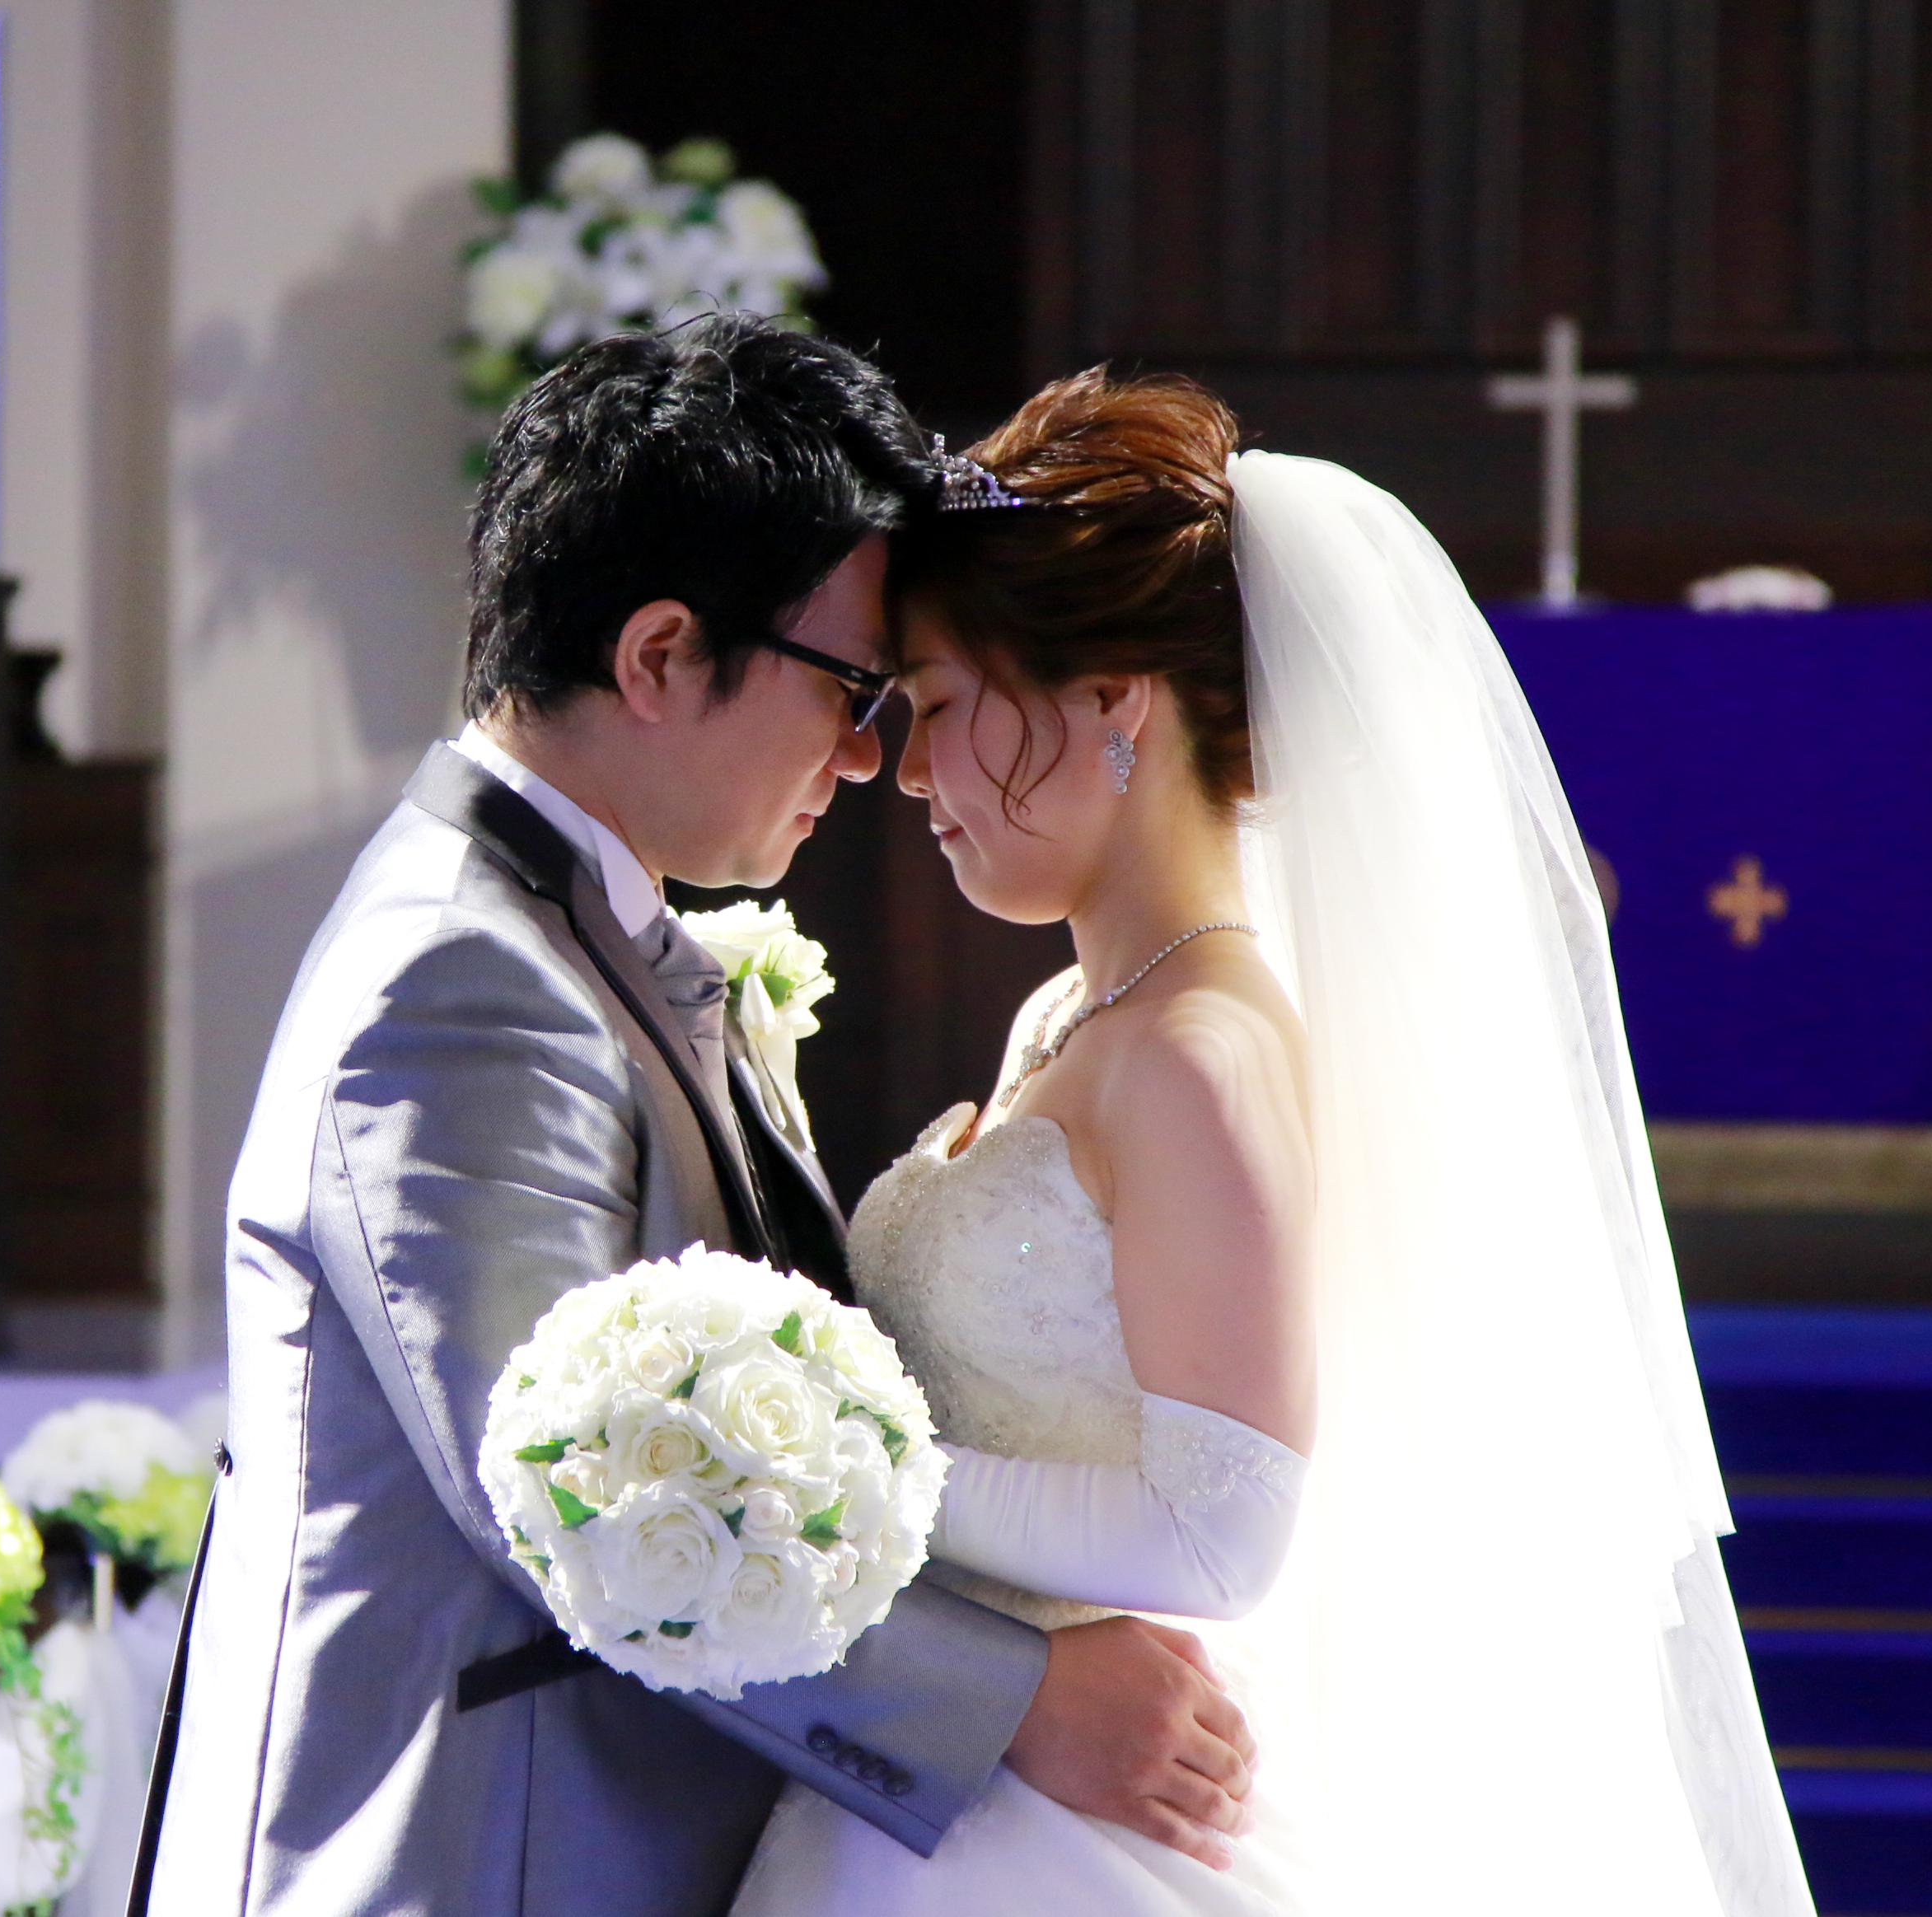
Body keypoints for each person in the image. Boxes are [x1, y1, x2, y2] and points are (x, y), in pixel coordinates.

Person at [138, 320, 1256, 1917]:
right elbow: (571, 1497)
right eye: (856, 691)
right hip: (483, 1861)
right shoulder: (461, 983)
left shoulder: (576, 931)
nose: (870, 760)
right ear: (662, 655)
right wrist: (1014, 1701)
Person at [729, 370, 1813, 1916]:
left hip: (1077, 1821)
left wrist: (845, 1474)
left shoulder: (1202, 1056)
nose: (907, 772)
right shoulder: (1077, 1014)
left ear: (1113, 698)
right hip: (976, 1777)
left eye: (945, 707)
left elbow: (1219, 1529)